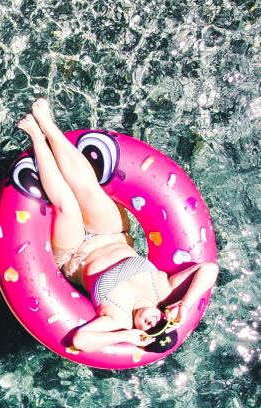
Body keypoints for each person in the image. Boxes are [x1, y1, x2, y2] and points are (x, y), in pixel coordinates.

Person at [16, 98, 219, 353]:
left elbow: (80, 341)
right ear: (167, 316)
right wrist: (186, 305)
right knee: (87, 189)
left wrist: (127, 336)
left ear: (142, 334)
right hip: (112, 234)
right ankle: (48, 125)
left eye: (151, 331)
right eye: (162, 323)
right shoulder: (164, 292)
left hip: (75, 254)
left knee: (66, 205)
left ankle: (35, 136)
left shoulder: (117, 320)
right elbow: (209, 269)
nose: (153, 322)